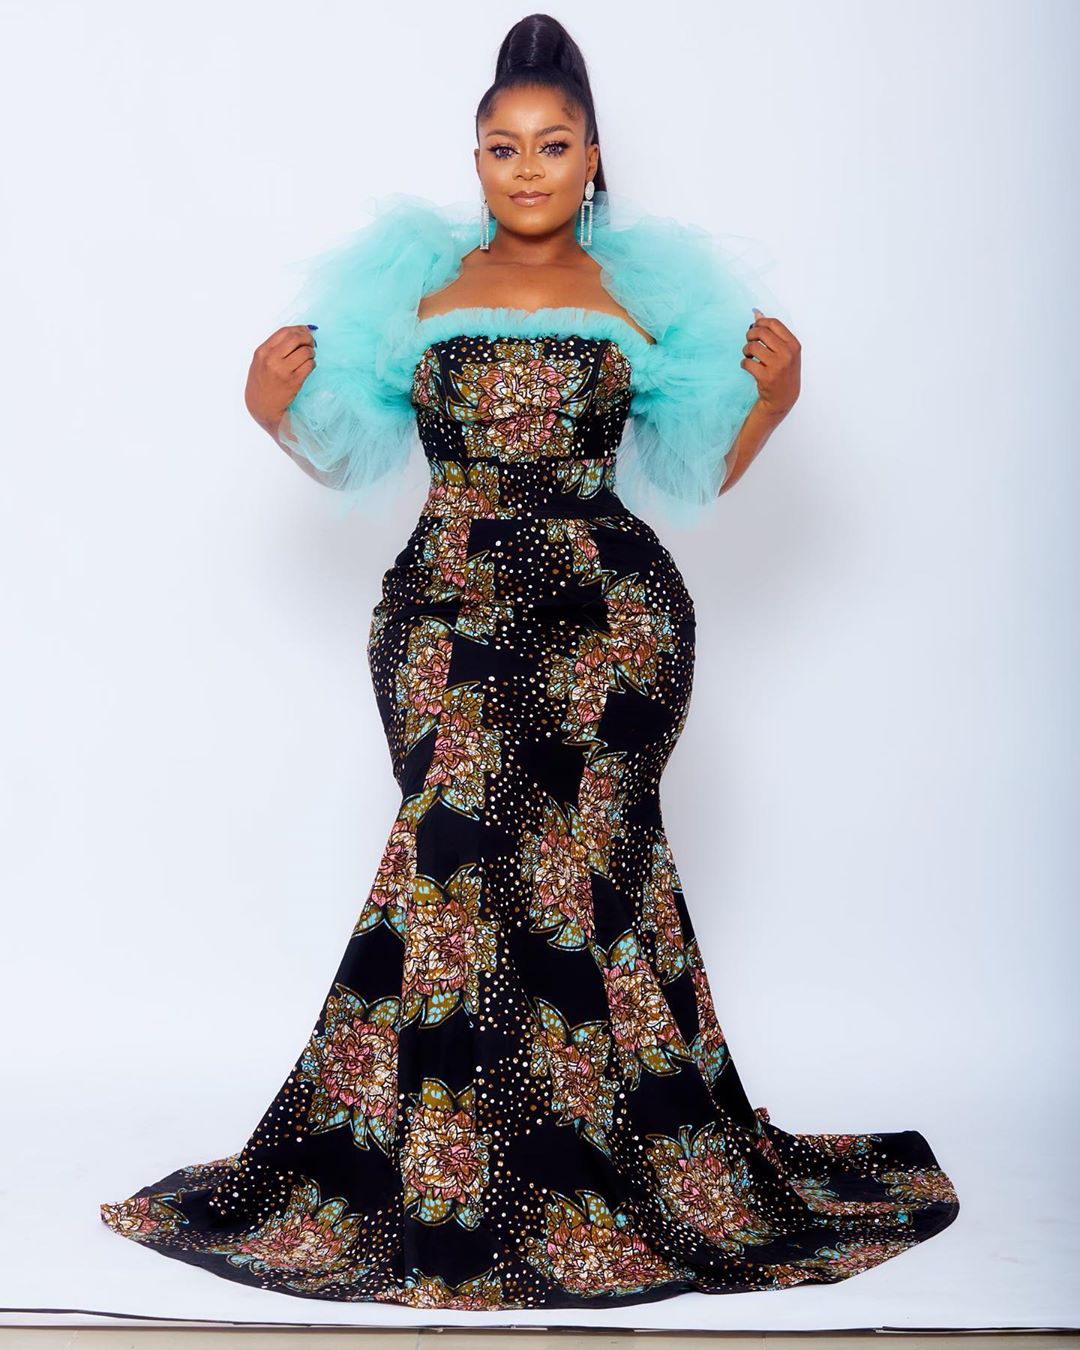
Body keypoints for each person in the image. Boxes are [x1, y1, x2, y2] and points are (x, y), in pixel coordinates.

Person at [100, 12, 959, 1312]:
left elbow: (700, 472)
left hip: (608, 615)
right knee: (456, 845)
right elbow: (345, 458)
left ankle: (599, 1179)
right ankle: (447, 1183)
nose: (528, 168)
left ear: (592, 155)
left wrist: (775, 403)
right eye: (503, 147)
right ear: (476, 160)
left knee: (584, 873)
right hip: (443, 605)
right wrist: (271, 418)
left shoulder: (646, 296)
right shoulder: (415, 289)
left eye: (553, 144)